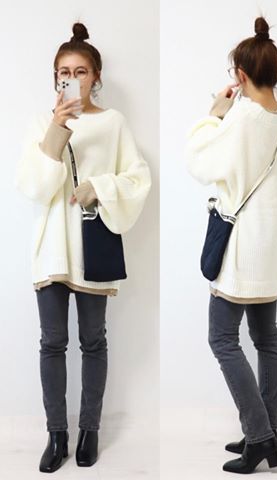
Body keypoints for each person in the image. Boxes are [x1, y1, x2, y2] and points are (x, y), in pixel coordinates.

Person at [16, 23, 151, 473]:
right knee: (52, 342)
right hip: (53, 247)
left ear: (96, 77)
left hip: (94, 245)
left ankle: (90, 429)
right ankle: (57, 434)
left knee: (93, 341)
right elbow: (35, 187)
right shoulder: (43, 123)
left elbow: (138, 178)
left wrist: (100, 187)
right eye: (64, 72)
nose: (72, 79)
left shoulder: (113, 123)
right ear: (55, 78)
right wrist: (58, 128)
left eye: (80, 71)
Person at [186, 17, 277, 474]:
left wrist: (215, 112)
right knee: (266, 337)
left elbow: (199, 161)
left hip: (243, 244)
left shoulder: (243, 117)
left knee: (222, 337)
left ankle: (260, 436)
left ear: (241, 75)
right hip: (271, 244)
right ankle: (266, 430)